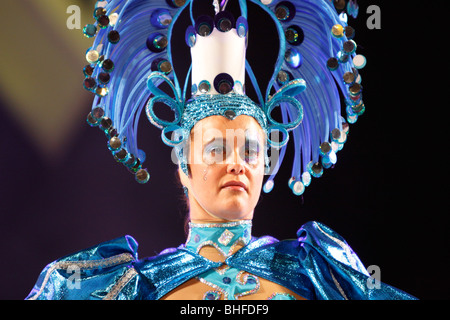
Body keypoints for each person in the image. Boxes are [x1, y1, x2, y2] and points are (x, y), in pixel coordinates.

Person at [26, 0, 416, 300]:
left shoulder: (316, 274)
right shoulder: (135, 287)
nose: (236, 164)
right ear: (183, 164)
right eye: (215, 149)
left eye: (249, 151)